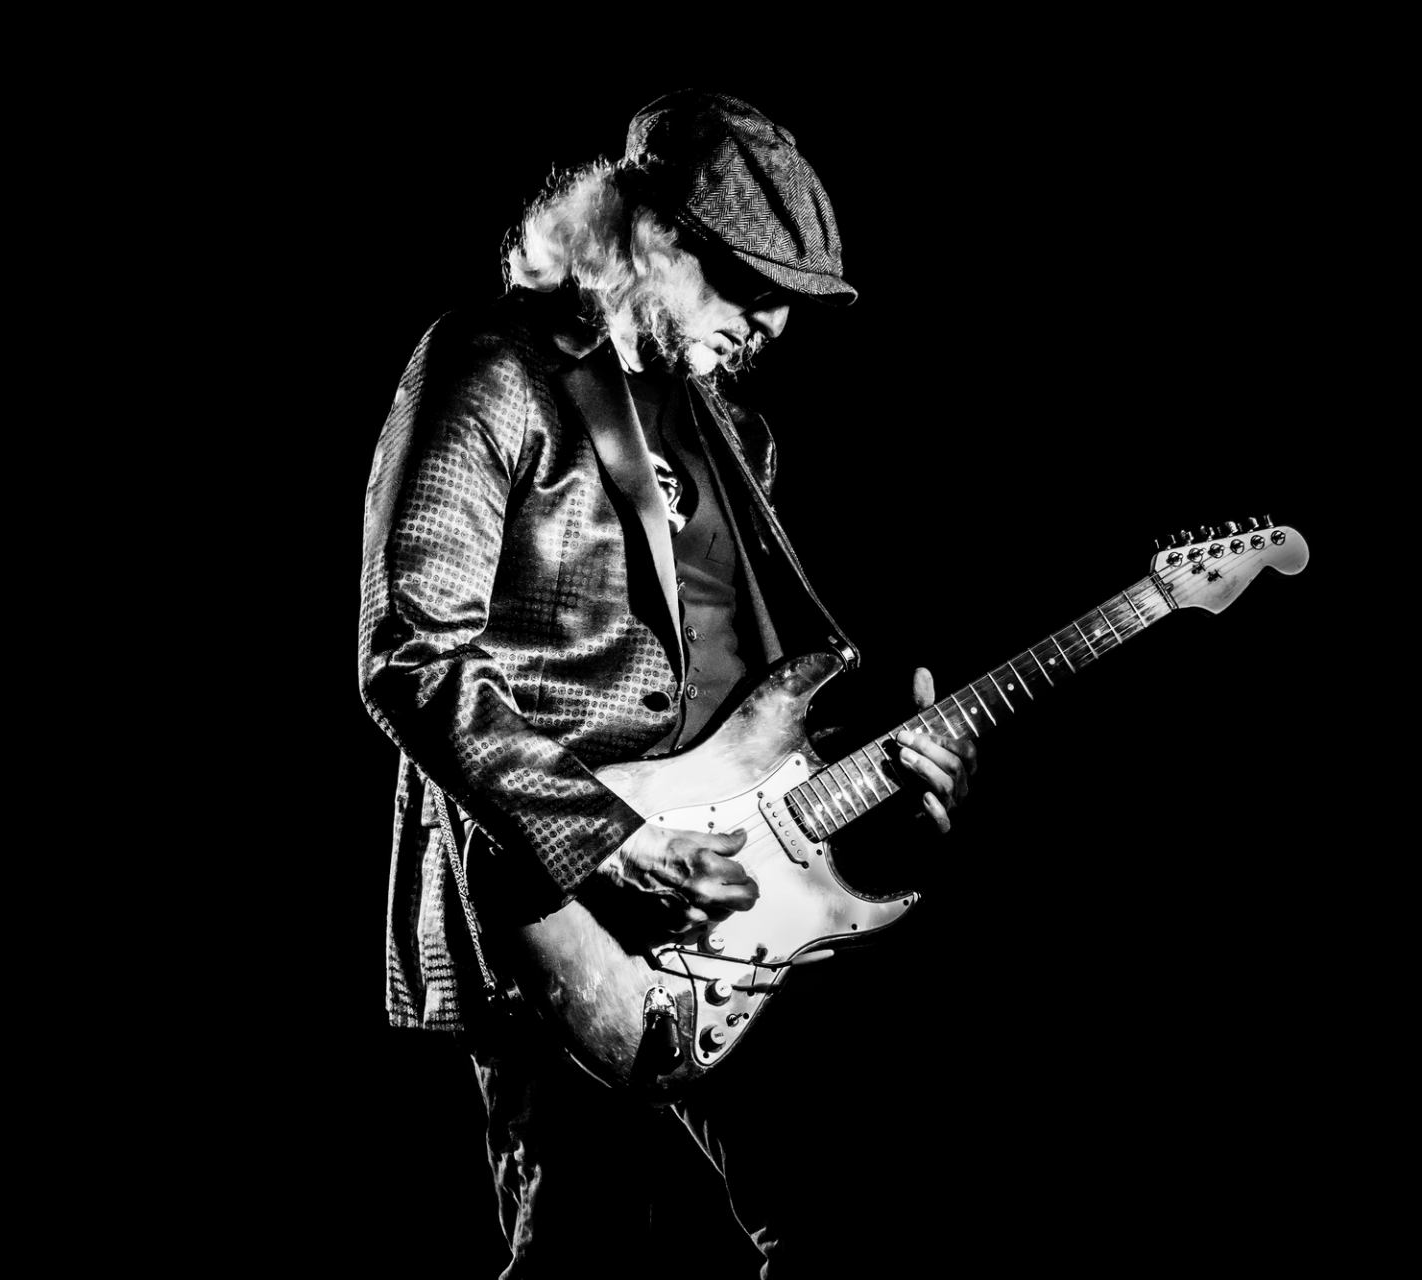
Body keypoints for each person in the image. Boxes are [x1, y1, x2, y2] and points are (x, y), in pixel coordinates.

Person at [357, 90, 976, 1277]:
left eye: (788, 304)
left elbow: (748, 708)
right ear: (647, 239)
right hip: (556, 923)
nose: (774, 327)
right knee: (588, 1263)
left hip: (741, 913)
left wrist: (893, 775)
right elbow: (411, 656)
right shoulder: (492, 366)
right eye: (750, 288)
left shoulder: (735, 435)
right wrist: (609, 843)